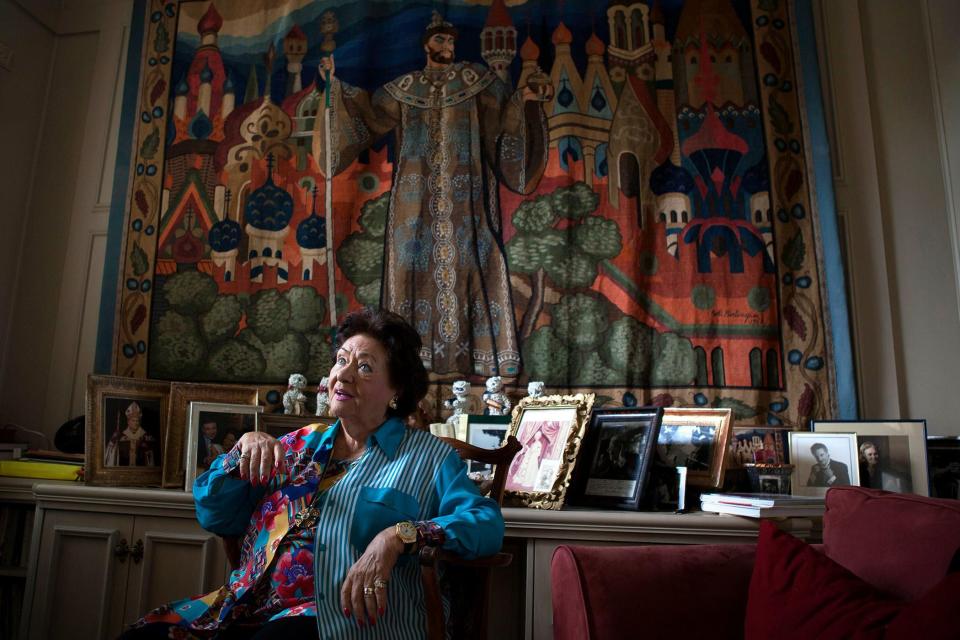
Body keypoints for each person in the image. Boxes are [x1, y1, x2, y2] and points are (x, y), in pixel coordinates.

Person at [122, 308, 504, 639]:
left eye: (365, 367)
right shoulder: (298, 444)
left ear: (396, 391)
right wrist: (241, 453)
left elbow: (485, 524)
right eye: (341, 360)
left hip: (339, 619)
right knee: (143, 636)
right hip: (243, 606)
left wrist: (398, 535)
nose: (345, 375)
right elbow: (215, 514)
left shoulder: (430, 459)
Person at [313, 11, 553, 377]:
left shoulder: (476, 82)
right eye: (440, 40)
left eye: (451, 41)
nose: (447, 47)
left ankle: (480, 360)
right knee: (409, 268)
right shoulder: (405, 89)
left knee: (472, 264)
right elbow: (367, 114)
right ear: (427, 44)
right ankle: (409, 363)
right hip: (413, 203)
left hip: (466, 200)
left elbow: (505, 119)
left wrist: (525, 100)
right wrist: (336, 87)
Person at [104, 401, 157, 467]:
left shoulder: (146, 437)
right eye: (133, 420)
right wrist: (114, 441)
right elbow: (110, 454)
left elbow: (151, 459)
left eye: (137, 421)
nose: (136, 423)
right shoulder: (120, 436)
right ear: (128, 422)